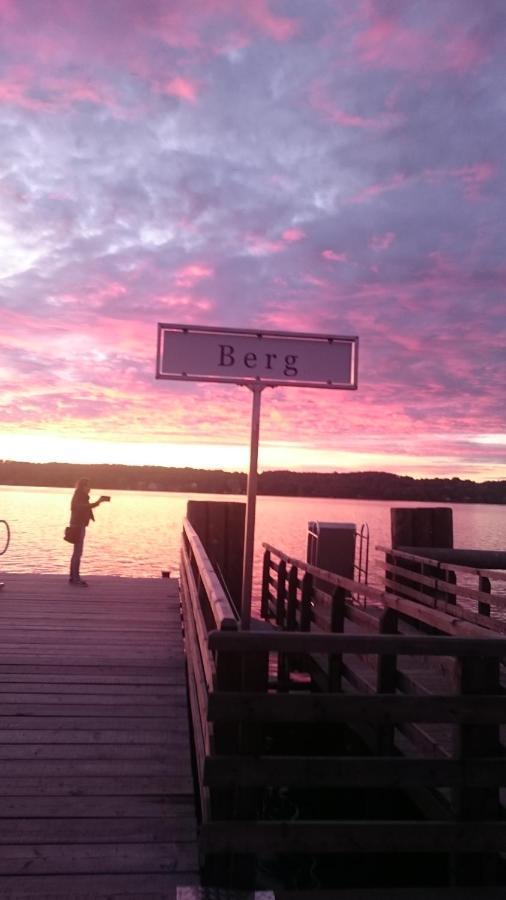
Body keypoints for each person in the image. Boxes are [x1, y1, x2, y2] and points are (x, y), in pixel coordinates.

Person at [68, 478, 109, 586]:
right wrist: (97, 502)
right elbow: (80, 507)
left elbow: (82, 507)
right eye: (88, 486)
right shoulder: (79, 496)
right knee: (78, 553)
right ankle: (75, 578)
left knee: (76, 553)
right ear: (83, 487)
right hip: (78, 525)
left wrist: (97, 503)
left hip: (78, 525)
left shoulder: (80, 496)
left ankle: (73, 577)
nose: (90, 488)